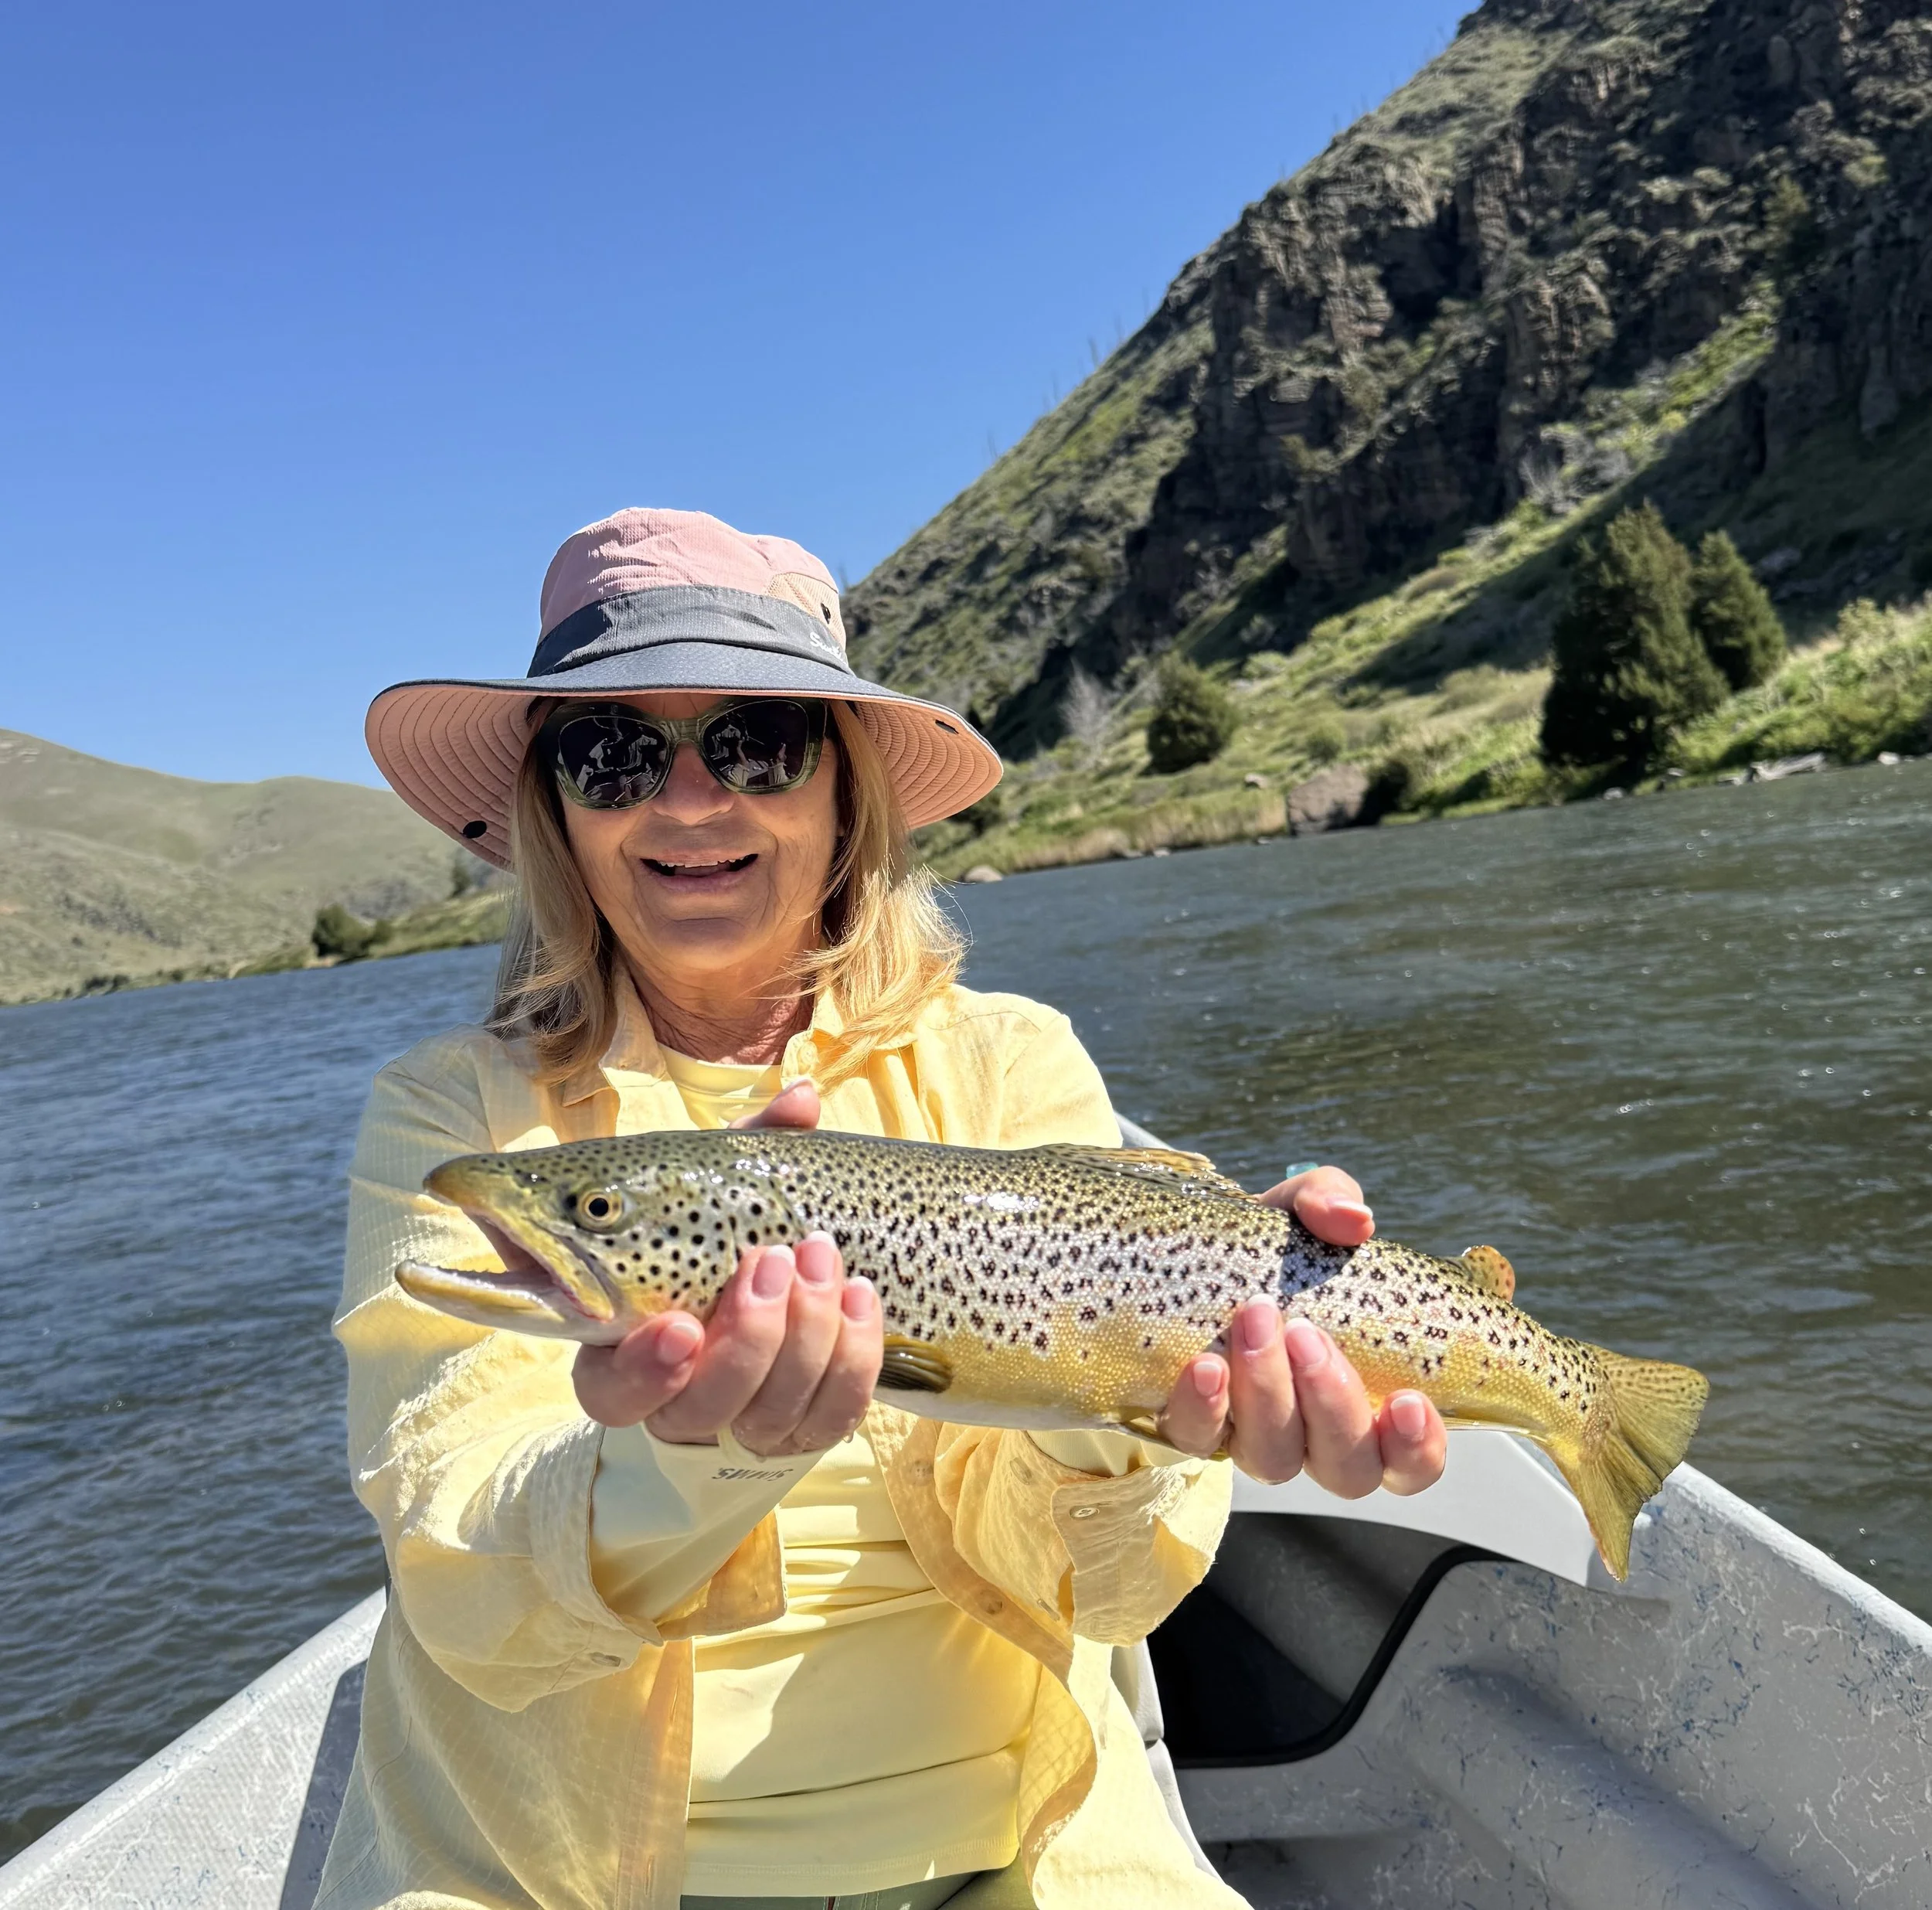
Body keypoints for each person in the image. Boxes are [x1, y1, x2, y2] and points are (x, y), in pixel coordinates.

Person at [321, 508, 1448, 1910]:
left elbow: (1097, 1590)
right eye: (610, 753)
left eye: (757, 743)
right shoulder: (454, 1128)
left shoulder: (1011, 1065)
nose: (685, 801)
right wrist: (692, 1463)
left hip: (1027, 1855)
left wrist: (1138, 1415)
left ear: (843, 788)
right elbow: (459, 1564)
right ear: (555, 809)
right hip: (555, 1878)